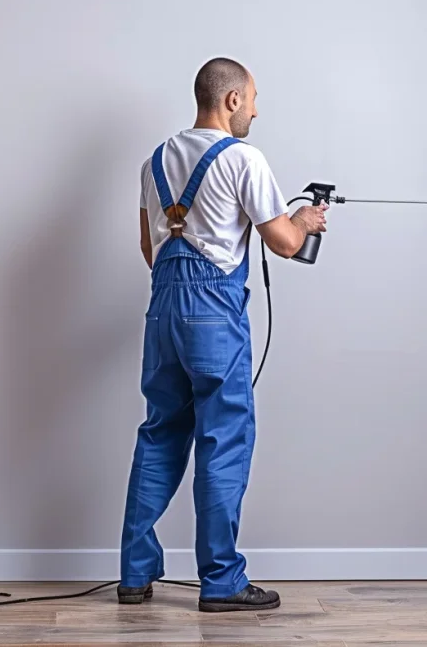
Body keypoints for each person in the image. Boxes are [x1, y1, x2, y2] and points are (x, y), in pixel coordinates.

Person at [117, 57, 328, 612]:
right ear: (231, 99)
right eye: (252, 100)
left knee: (160, 433)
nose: (255, 111)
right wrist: (304, 221)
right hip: (214, 314)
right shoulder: (243, 158)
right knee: (223, 438)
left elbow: (149, 248)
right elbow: (285, 243)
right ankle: (222, 581)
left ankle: (135, 574)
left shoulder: (153, 162)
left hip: (162, 311)